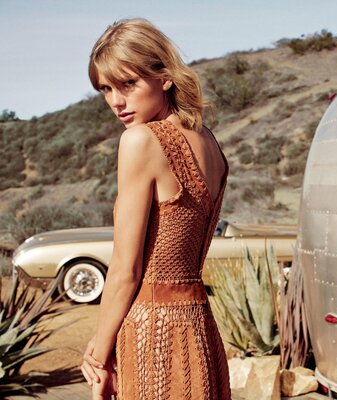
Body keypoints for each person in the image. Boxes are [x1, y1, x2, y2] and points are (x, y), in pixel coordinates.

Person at [79, 18, 230, 399]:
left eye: (128, 84)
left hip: (153, 334)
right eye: (106, 88)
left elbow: (126, 271)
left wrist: (98, 351)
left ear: (164, 76)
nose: (116, 101)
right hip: (199, 327)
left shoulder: (140, 141)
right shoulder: (210, 142)